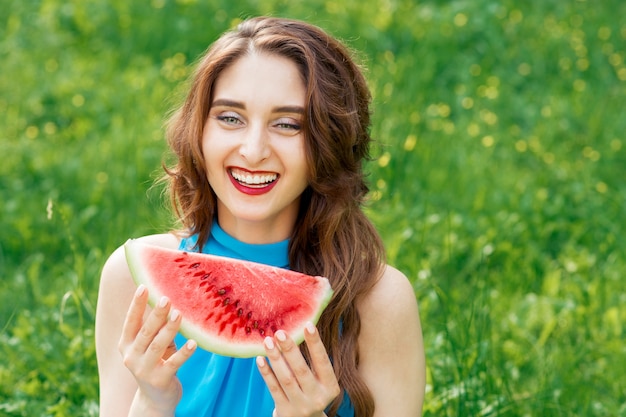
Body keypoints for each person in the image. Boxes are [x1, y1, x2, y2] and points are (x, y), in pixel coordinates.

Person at [95, 16, 425, 417]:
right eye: (230, 118)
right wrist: (152, 402)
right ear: (199, 130)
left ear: (328, 142)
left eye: (288, 124)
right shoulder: (132, 279)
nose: (253, 151)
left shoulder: (380, 301)